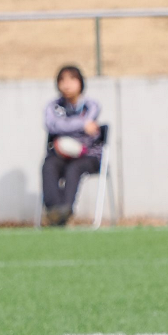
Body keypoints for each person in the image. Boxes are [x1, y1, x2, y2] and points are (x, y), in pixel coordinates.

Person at [41, 65, 102, 226]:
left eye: (72, 79)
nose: (67, 85)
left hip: (88, 155)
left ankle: (65, 209)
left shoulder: (91, 105)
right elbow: (53, 125)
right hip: (61, 155)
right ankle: (55, 211)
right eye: (62, 80)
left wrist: (66, 124)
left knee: (74, 168)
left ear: (80, 82)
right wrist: (82, 125)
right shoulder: (53, 106)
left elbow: (63, 125)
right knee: (49, 165)